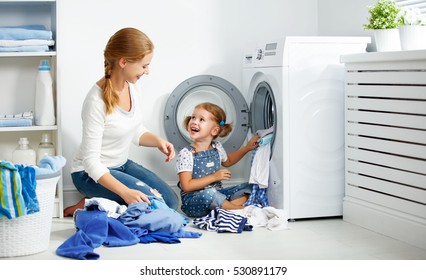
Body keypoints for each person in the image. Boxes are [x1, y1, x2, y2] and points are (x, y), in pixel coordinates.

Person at [64, 27, 178, 217]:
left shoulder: (132, 86)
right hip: (89, 174)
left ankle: (103, 201)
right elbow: (91, 163)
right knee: (154, 206)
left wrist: (158, 141)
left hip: (121, 165)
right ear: (123, 62)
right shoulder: (95, 101)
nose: (147, 71)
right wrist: (125, 192)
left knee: (171, 202)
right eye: (144, 66)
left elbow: (132, 129)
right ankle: (93, 203)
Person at [175, 102, 260, 218]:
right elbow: (187, 186)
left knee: (250, 187)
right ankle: (238, 209)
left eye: (201, 119)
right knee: (210, 193)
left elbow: (228, 160)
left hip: (217, 195)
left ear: (214, 131)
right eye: (193, 117)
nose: (194, 121)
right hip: (194, 202)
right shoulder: (186, 153)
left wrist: (247, 148)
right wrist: (214, 177)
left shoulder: (217, 147)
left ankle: (225, 208)